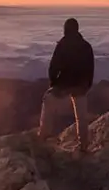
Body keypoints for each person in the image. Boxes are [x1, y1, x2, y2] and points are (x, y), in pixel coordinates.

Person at [38, 17, 95, 152]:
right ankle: (83, 145)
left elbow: (53, 67)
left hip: (63, 85)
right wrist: (86, 87)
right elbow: (90, 69)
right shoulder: (86, 46)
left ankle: (43, 136)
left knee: (48, 100)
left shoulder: (62, 45)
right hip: (80, 86)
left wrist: (53, 84)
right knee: (81, 116)